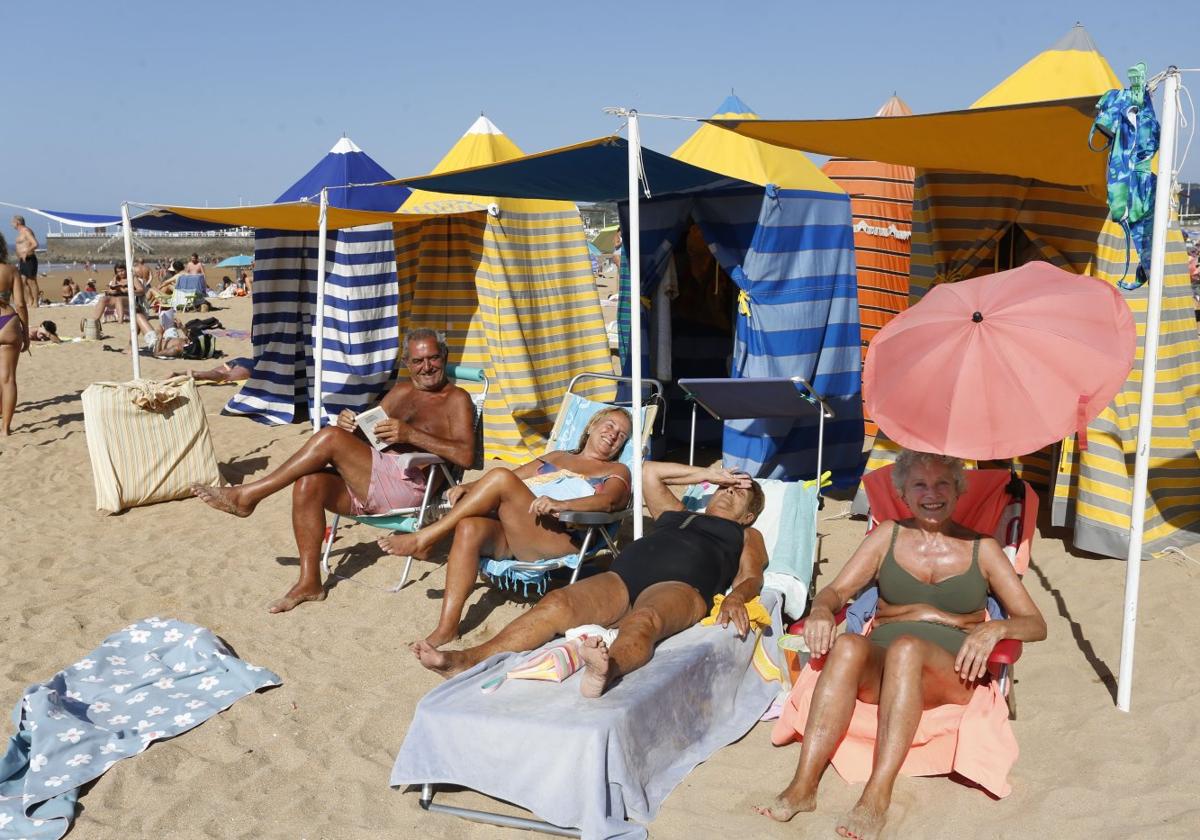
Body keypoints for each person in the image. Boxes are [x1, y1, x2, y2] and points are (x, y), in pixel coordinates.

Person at [754, 450, 1046, 840]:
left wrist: (995, 630)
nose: (932, 494)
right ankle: (803, 786)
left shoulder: (983, 549)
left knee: (907, 647)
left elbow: (1035, 624)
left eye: (943, 483)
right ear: (904, 493)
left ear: (958, 490)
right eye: (920, 485)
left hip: (949, 673)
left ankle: (877, 796)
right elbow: (837, 591)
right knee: (847, 647)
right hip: (882, 664)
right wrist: (822, 610)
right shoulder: (887, 535)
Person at [412, 460, 768, 699]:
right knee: (556, 603)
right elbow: (648, 472)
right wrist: (714, 474)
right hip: (623, 577)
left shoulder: (745, 535)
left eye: (739, 493)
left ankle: (606, 669)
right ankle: (469, 660)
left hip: (681, 587)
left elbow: (752, 577)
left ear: (749, 514)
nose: (728, 493)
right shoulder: (676, 513)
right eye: (725, 488)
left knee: (645, 622)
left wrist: (738, 598)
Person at [191, 328, 477, 613]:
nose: (427, 367)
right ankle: (310, 582)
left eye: (434, 359)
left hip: (411, 485)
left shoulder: (456, 399)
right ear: (406, 362)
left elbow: (465, 455)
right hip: (375, 478)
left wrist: (411, 435)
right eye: (418, 361)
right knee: (308, 484)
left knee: (329, 439)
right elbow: (368, 435)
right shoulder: (401, 391)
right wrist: (350, 426)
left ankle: (248, 496)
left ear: (445, 357)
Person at [382, 406, 634, 647]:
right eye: (609, 425)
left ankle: (427, 537)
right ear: (591, 426)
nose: (613, 434)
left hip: (559, 536)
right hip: (522, 529)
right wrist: (469, 488)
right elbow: (517, 475)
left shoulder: (616, 470)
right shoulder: (557, 456)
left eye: (621, 435)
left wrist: (562, 504)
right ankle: (447, 628)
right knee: (470, 527)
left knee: (501, 477)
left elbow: (609, 501)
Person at [0, 233, 30, 435]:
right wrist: (26, 332)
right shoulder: (11, 270)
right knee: (8, 378)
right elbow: (20, 303)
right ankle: (5, 428)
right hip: (7, 322)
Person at [11, 216, 40, 308]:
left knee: (31, 281)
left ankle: (36, 302)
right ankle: (30, 299)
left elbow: (35, 244)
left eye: (13, 222)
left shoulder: (26, 231)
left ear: (18, 222)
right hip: (22, 261)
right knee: (22, 282)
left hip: (29, 259)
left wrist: (26, 252)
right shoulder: (20, 233)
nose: (11, 224)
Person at [173, 357, 253, 383]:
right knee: (225, 377)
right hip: (250, 367)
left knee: (211, 374)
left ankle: (178, 374)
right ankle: (196, 374)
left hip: (241, 360)